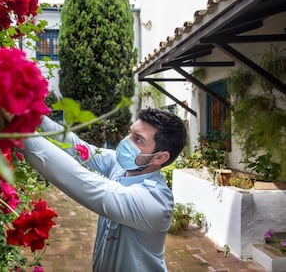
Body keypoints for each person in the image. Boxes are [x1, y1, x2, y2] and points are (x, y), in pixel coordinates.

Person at [22, 107, 187, 271]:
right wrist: (38, 119)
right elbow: (80, 148)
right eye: (131, 133)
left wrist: (20, 130)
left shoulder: (155, 201)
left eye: (138, 140)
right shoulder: (122, 166)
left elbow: (80, 181)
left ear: (160, 157)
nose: (127, 142)